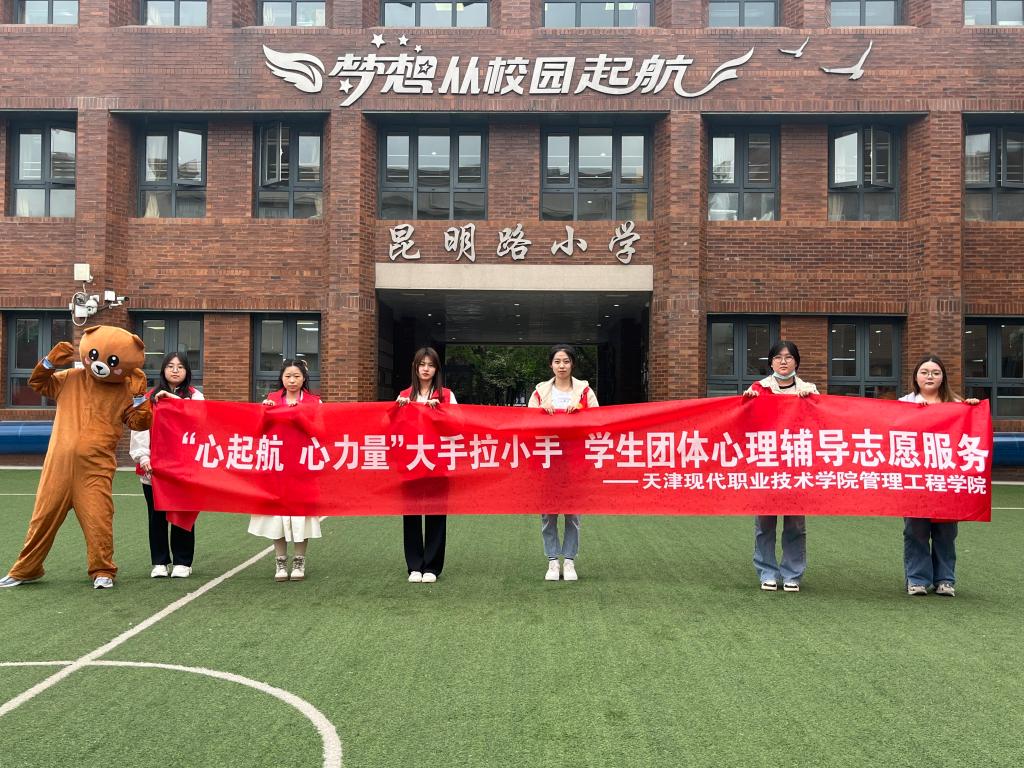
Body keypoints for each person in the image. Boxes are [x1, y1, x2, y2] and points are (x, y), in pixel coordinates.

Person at [899, 355, 980, 597]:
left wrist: (972, 410)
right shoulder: (904, 403)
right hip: (915, 478)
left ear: (943, 377)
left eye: (935, 372)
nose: (930, 376)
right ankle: (917, 579)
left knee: (946, 531)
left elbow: (970, 436)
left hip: (946, 480)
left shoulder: (956, 404)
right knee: (915, 530)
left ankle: (945, 579)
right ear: (916, 376)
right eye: (924, 372)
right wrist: (915, 414)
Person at [743, 340, 817, 593]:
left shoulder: (809, 390)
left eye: (788, 357)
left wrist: (810, 402)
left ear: (797, 362)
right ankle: (767, 572)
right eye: (778, 357)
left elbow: (820, 424)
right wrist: (747, 403)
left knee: (795, 524)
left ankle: (792, 574)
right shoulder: (758, 389)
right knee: (764, 524)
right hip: (767, 465)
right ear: (771, 362)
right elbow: (746, 425)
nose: (783, 362)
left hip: (796, 466)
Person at [528, 344, 599, 582]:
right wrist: (540, 412)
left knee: (573, 513)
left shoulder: (585, 391)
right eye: (557, 361)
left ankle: (569, 560)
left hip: (575, 460)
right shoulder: (540, 393)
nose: (562, 366)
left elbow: (599, 420)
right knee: (548, 513)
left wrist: (581, 413)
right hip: (547, 460)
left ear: (572, 364)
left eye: (566, 361)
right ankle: (552, 560)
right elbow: (526, 423)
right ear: (551, 365)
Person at [129, 352, 204, 579]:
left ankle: (183, 561)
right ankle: (160, 562)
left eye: (180, 367)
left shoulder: (195, 396)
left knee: (182, 514)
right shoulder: (148, 398)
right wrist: (143, 457)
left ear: (187, 371)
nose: (175, 370)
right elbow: (140, 428)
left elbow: (199, 420)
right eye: (170, 366)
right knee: (157, 517)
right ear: (163, 370)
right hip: (154, 470)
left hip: (184, 469)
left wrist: (173, 400)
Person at [247, 358, 322, 582]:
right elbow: (258, 432)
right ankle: (280, 561)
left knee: (301, 515)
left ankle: (299, 560)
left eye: (297, 376)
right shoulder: (271, 399)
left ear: (304, 378)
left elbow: (320, 431)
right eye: (288, 376)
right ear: (281, 378)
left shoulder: (314, 401)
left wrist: (299, 416)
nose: (292, 380)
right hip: (276, 467)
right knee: (276, 516)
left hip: (302, 466)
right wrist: (265, 413)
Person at [396, 347, 457, 584]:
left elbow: (458, 426)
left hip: (438, 463)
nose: (426, 369)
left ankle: (431, 566)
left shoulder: (446, 396)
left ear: (437, 369)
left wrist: (440, 412)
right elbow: (391, 429)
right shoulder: (404, 395)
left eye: (430, 365)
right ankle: (414, 565)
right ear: (415, 367)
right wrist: (398, 411)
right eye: (422, 364)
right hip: (411, 463)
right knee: (411, 515)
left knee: (436, 515)